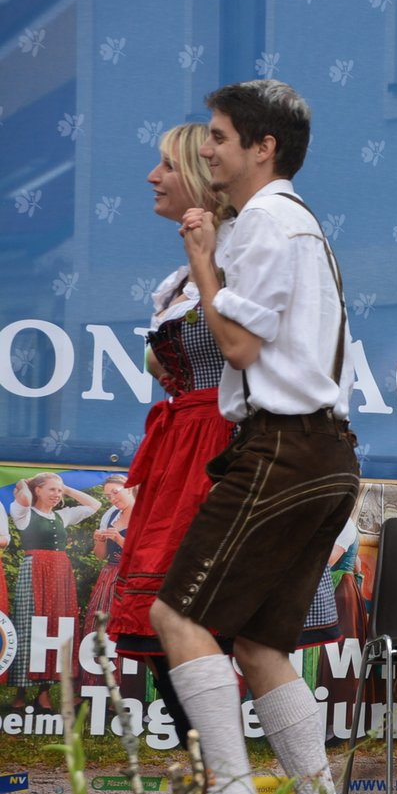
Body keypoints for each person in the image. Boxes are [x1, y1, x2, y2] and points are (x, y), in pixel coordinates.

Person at [147, 79, 360, 794]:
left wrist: (204, 259)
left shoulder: (268, 222)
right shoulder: (293, 221)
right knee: (262, 644)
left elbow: (237, 345)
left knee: (177, 615)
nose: (206, 148)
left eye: (218, 135)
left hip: (283, 446)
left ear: (263, 148)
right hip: (323, 452)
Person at [109, 121, 338, 751]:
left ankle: (227, 780)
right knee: (169, 622)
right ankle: (215, 773)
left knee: (208, 623)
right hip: (183, 445)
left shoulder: (244, 256)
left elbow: (244, 347)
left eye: (166, 165)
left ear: (197, 175)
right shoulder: (185, 275)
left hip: (225, 441)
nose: (153, 177)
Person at [8, 473, 100, 709]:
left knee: (56, 627)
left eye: (59, 491)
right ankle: (20, 692)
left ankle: (44, 692)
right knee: (29, 624)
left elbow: (94, 505)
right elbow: (25, 498)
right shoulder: (23, 513)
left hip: (60, 571)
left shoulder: (62, 516)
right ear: (38, 490)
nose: (57, 495)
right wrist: (25, 483)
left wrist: (65, 488)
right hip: (35, 569)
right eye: (51, 490)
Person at [81, 475, 134, 694]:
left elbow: (146, 553)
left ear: (129, 489)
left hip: (133, 576)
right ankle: (96, 686)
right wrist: (99, 540)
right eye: (108, 495)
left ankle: (125, 689)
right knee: (98, 625)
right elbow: (101, 556)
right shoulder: (110, 515)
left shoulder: (144, 514)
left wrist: (120, 539)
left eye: (116, 492)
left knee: (125, 627)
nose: (112, 498)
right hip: (109, 574)